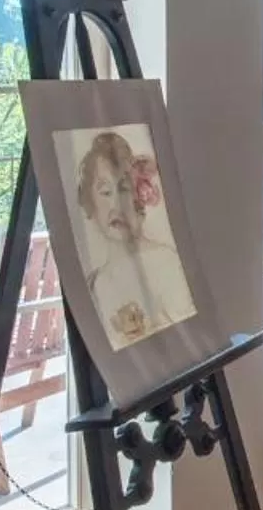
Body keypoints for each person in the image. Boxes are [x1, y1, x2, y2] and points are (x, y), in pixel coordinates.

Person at [73, 129, 196, 347]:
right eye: (105, 192)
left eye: (124, 189)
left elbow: (186, 340)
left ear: (139, 196)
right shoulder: (95, 283)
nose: (116, 205)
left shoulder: (165, 260)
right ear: (89, 203)